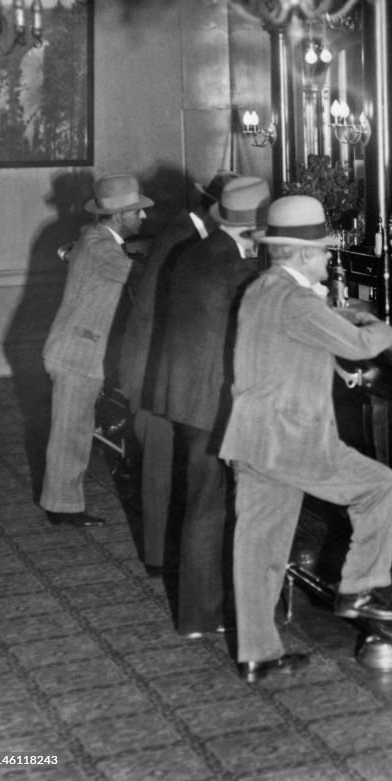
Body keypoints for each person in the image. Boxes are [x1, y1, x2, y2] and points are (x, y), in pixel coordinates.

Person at [219, 195, 392, 683]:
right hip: (293, 440)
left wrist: (348, 318)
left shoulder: (263, 288)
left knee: (259, 548)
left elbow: (313, 331)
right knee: (380, 485)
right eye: (325, 251)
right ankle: (360, 587)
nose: (330, 257)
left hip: (251, 439)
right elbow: (363, 345)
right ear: (303, 255)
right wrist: (386, 328)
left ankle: (257, 654)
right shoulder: (298, 300)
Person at [155, 175, 270, 638]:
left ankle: (202, 609)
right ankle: (203, 615)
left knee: (202, 502)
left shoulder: (197, 253)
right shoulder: (236, 271)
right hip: (212, 401)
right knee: (210, 507)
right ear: (253, 229)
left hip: (186, 395)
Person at [117, 170, 236, 573]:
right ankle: (158, 559)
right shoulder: (185, 238)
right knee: (159, 469)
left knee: (171, 468)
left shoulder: (191, 232)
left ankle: (169, 557)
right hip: (154, 364)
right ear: (219, 210)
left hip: (168, 364)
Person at [40, 174, 153, 527]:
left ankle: (62, 503)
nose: (144, 218)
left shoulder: (97, 238)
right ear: (120, 216)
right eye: (138, 212)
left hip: (79, 349)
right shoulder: (100, 245)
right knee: (70, 431)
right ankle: (61, 507)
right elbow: (138, 275)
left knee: (76, 427)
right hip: (76, 353)